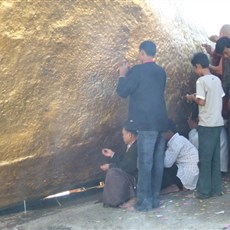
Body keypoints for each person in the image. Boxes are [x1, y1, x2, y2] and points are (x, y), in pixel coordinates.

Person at [116, 40, 168, 211]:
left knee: (144, 163)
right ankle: (154, 199)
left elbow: (123, 92)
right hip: (161, 122)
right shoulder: (161, 71)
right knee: (157, 162)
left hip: (146, 124)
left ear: (142, 53)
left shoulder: (137, 71)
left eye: (140, 54)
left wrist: (123, 74)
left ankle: (144, 204)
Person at [186, 52, 225, 199]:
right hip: (218, 123)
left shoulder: (201, 81)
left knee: (205, 159)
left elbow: (201, 102)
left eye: (195, 69)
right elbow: (219, 97)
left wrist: (192, 97)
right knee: (216, 158)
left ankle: (204, 191)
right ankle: (216, 189)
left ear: (198, 66)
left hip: (207, 124)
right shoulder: (216, 80)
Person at [100, 125, 138, 208]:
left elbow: (128, 166)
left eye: (123, 134)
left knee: (113, 172)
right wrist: (112, 154)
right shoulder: (130, 146)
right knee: (112, 171)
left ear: (129, 135)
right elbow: (124, 160)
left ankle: (126, 198)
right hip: (130, 174)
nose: (122, 137)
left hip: (135, 177)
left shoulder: (136, 146)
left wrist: (110, 166)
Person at [161, 119, 199, 194]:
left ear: (169, 132)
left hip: (187, 175)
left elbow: (166, 163)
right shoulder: (178, 139)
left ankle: (174, 186)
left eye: (163, 133)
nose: (162, 135)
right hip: (191, 173)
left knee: (162, 168)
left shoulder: (176, 142)